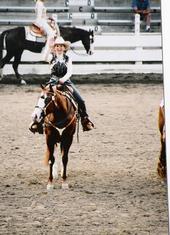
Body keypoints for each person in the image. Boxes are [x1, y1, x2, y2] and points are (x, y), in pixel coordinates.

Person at [30, 36, 94, 133]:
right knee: (42, 98)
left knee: (80, 100)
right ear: (54, 48)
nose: (59, 48)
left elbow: (70, 72)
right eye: (57, 46)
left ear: (64, 48)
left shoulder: (68, 59)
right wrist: (49, 44)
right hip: (52, 82)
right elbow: (43, 57)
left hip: (66, 82)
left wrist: (62, 80)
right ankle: (37, 121)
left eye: (61, 46)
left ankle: (85, 119)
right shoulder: (51, 57)